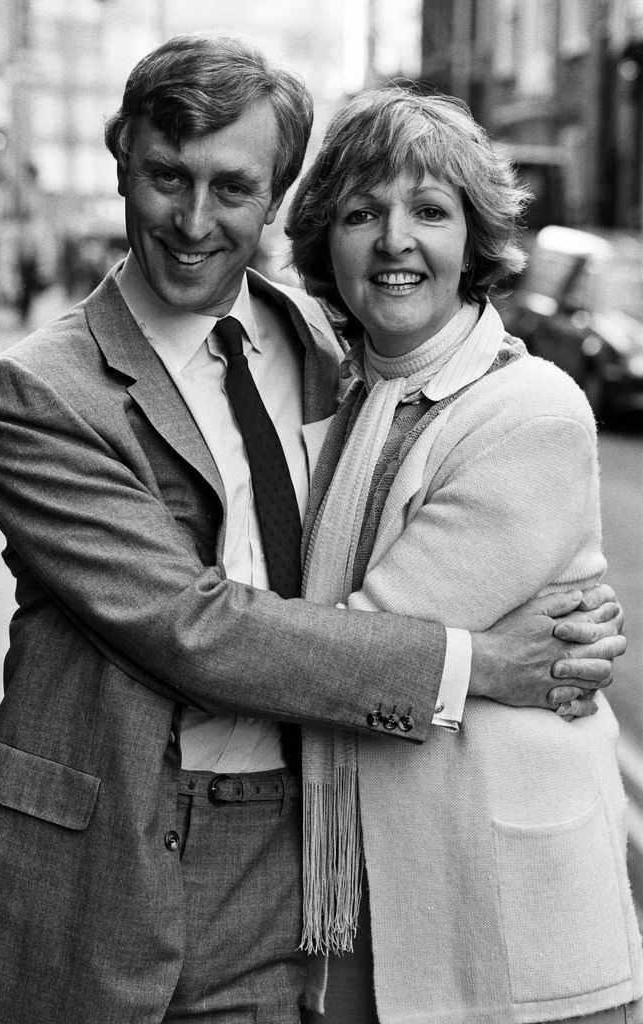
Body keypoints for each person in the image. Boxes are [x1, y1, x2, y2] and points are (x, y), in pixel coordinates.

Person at [0, 36, 625, 1024]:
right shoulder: (34, 395)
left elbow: (439, 423)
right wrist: (483, 663)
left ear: (273, 199)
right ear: (121, 166)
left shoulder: (325, 348)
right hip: (105, 850)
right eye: (165, 178)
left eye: (232, 187)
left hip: (292, 850)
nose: (193, 220)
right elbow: (196, 629)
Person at [285, 88, 643, 1024]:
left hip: (511, 932)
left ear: (475, 242)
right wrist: (484, 665)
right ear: (327, 241)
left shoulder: (529, 411)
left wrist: (245, 638)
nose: (393, 239)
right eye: (361, 213)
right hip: (375, 903)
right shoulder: (338, 402)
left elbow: (351, 650)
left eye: (428, 211)